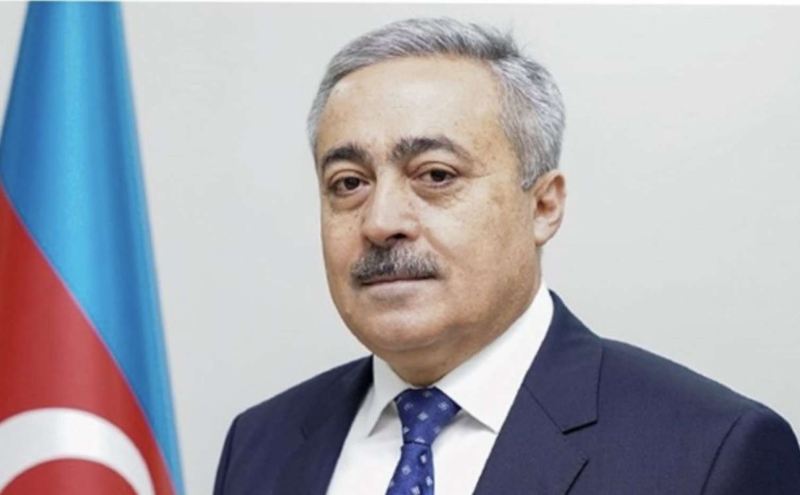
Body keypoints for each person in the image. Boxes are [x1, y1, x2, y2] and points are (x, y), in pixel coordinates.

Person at [213, 17, 800, 494]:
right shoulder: (261, 443)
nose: (381, 221)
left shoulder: (710, 453)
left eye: (435, 175)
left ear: (543, 206)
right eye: (348, 183)